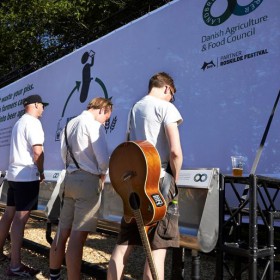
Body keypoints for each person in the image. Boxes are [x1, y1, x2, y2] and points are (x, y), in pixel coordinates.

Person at [107, 72, 183, 280]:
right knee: (157, 248)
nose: (171, 98)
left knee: (124, 244)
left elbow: (130, 148)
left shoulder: (135, 108)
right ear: (167, 88)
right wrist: (174, 180)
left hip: (135, 185)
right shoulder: (166, 107)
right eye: (171, 94)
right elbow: (175, 151)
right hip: (159, 184)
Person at [49, 97, 113, 280]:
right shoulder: (94, 125)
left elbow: (63, 154)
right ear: (102, 109)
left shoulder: (70, 124)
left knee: (62, 232)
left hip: (69, 179)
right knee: (78, 237)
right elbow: (103, 159)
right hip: (88, 181)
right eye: (106, 118)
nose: (105, 122)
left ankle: (54, 275)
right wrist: (102, 173)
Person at [0, 94, 48, 277]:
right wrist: (41, 171)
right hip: (26, 177)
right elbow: (37, 152)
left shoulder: (19, 123)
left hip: (13, 176)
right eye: (42, 105)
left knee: (8, 216)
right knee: (20, 220)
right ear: (35, 104)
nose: (43, 109)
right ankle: (15, 265)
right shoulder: (33, 123)